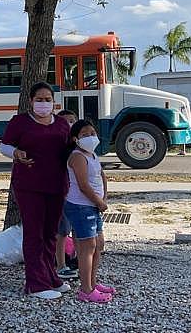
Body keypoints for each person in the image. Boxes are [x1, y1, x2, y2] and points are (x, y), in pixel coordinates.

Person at [0, 82, 71, 300]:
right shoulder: (19, 122)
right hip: (29, 186)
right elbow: (4, 146)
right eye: (39, 99)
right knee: (34, 234)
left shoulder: (61, 124)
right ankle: (36, 283)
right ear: (31, 101)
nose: (44, 103)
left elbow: (70, 151)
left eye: (48, 99)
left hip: (57, 186)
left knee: (51, 233)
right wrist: (16, 153)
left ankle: (50, 276)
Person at [65, 119, 114, 303]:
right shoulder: (78, 157)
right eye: (85, 135)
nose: (90, 137)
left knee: (98, 244)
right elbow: (84, 185)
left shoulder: (92, 155)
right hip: (81, 206)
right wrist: (99, 202)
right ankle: (85, 290)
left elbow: (101, 176)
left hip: (93, 205)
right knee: (88, 247)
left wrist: (104, 197)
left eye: (92, 133)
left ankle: (92, 283)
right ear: (76, 139)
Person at [55, 109, 78, 281]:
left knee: (78, 230)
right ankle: (61, 264)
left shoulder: (80, 147)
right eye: (65, 121)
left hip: (79, 195)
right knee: (62, 230)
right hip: (63, 194)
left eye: (72, 121)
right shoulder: (57, 147)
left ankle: (77, 259)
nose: (69, 124)